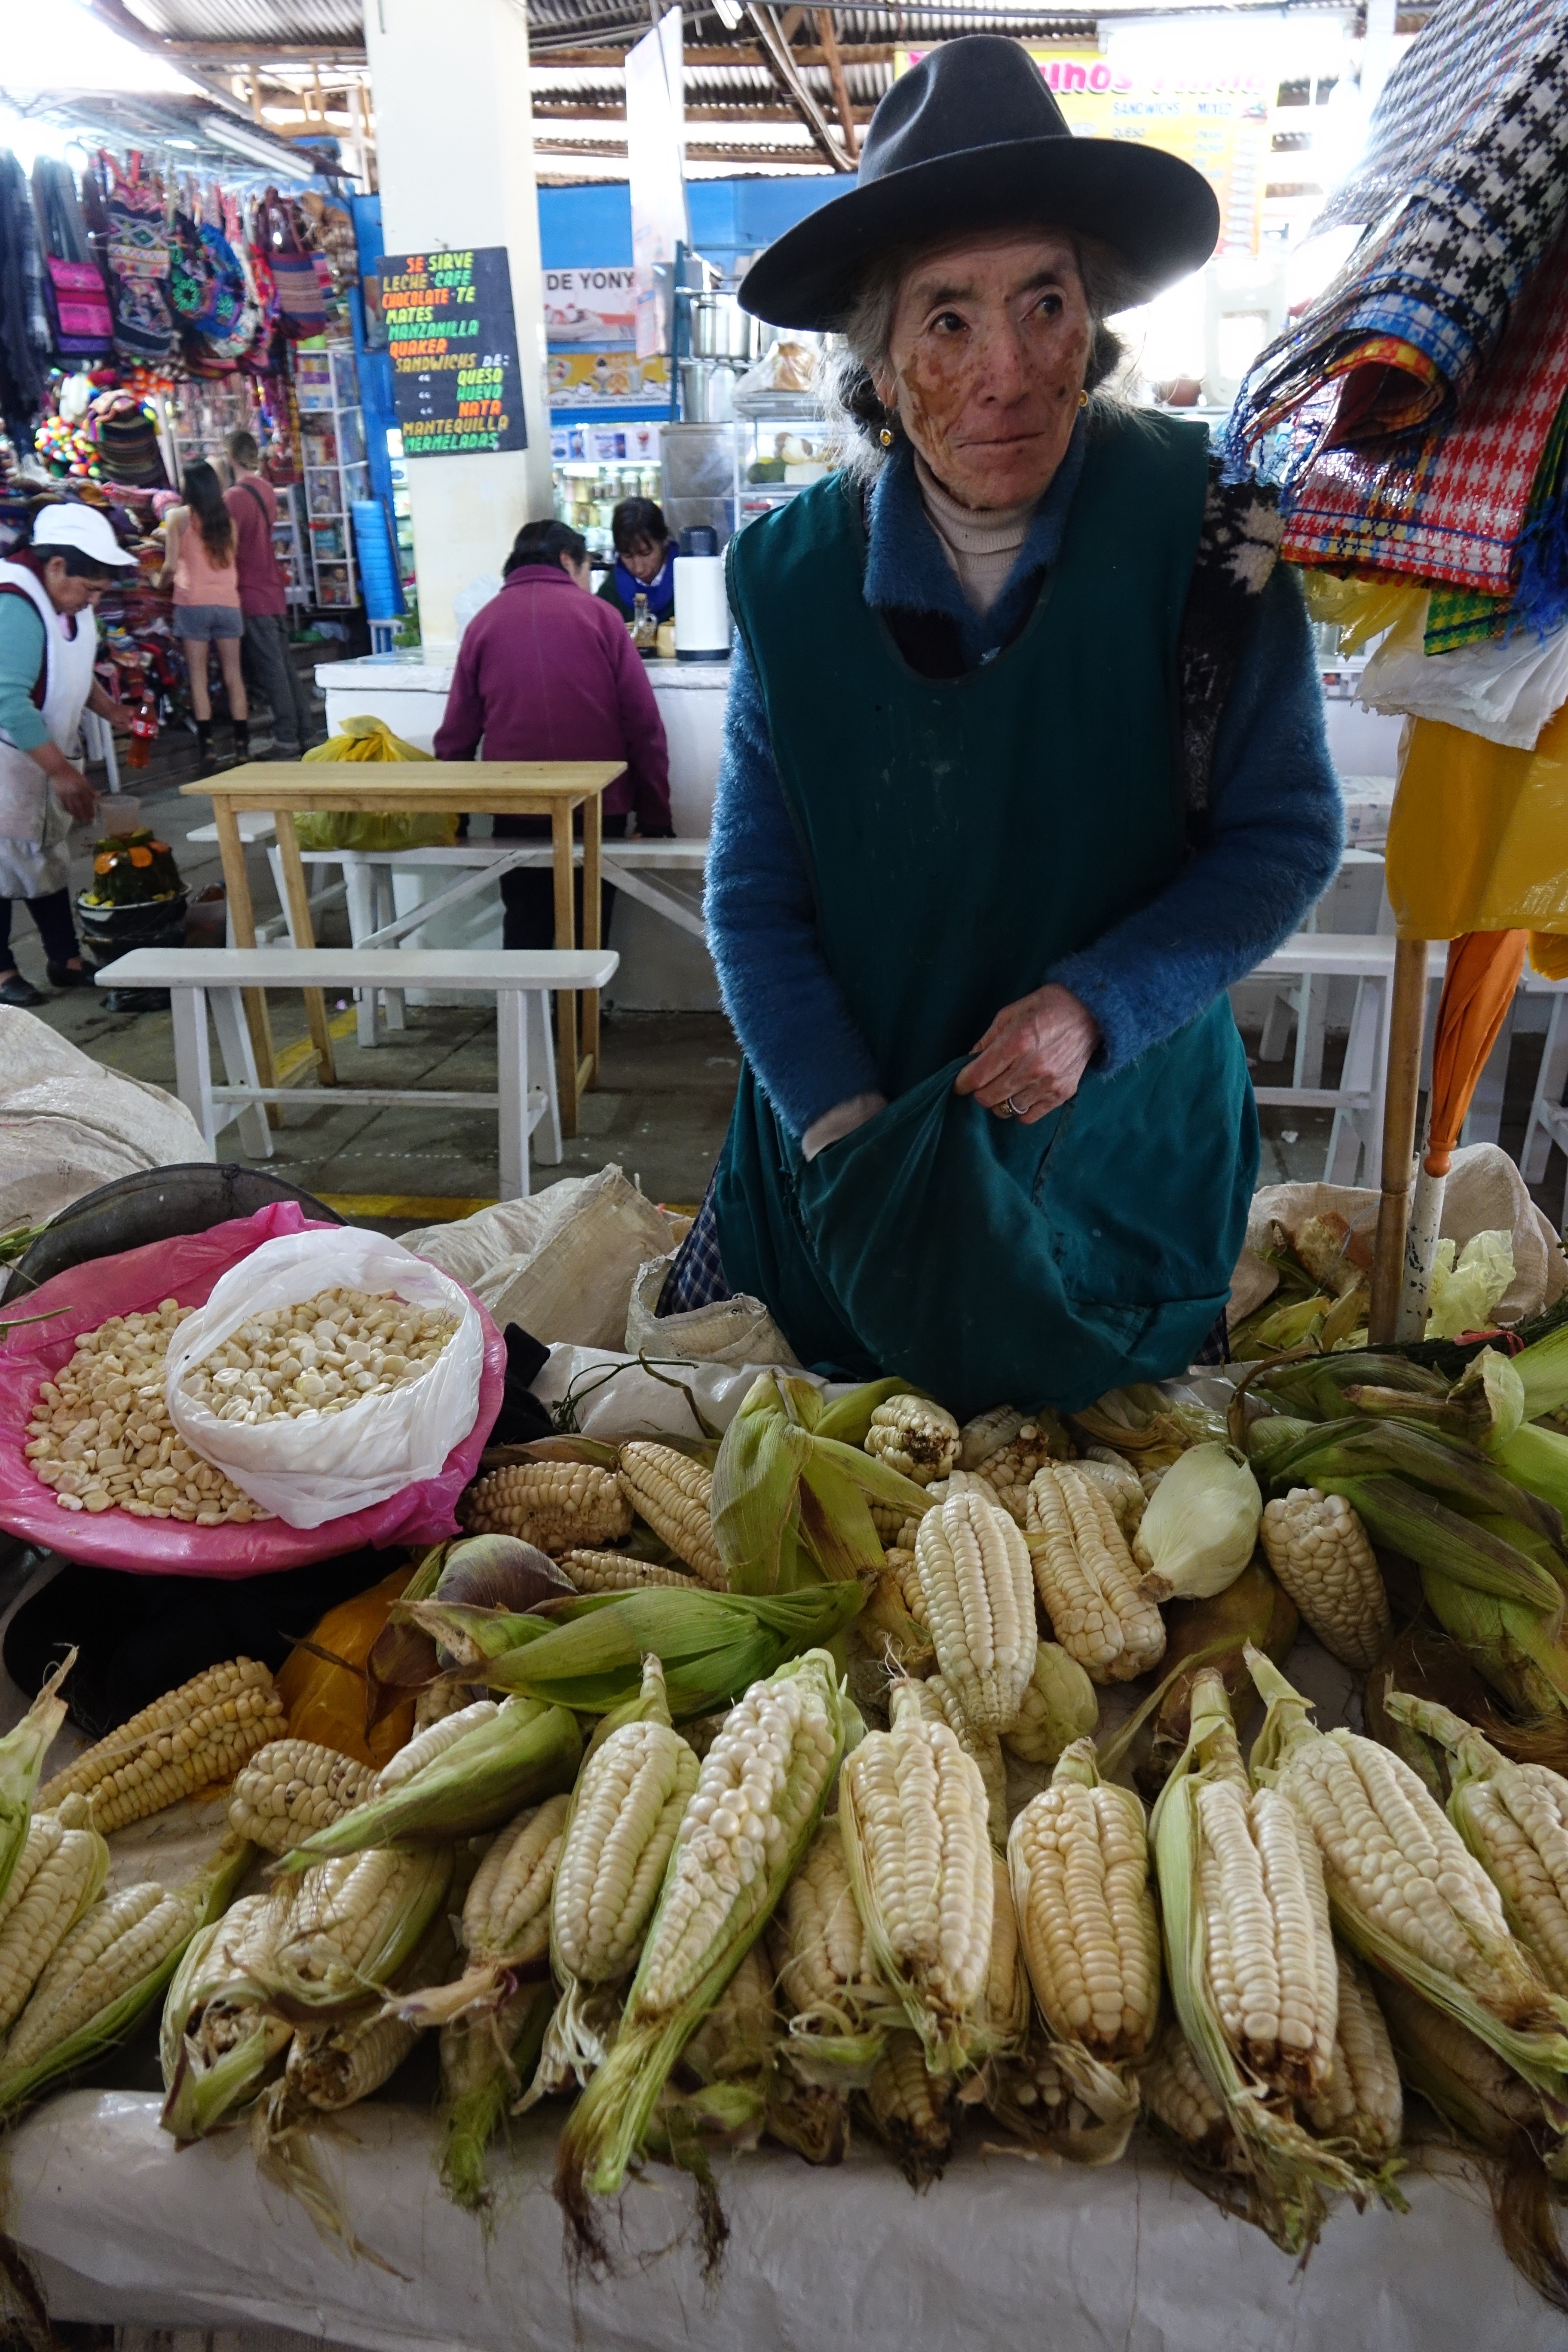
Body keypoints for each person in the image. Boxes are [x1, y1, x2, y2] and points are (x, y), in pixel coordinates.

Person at [658, 37, 1343, 1415]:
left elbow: (1282, 838)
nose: (1007, 371)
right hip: (844, 1130)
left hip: (1121, 1146)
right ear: (880, 350)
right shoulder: (791, 580)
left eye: (1045, 302)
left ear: (1093, 316)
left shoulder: (1216, 532)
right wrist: (850, 1138)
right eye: (949, 317)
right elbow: (753, 896)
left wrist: (1099, 1005)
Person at [435, 519, 674, 949]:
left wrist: (452, 817)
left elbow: (457, 734)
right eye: (585, 570)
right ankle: (581, 1017)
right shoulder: (602, 617)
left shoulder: (483, 624)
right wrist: (655, 817)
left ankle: (528, 1016)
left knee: (526, 920)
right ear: (568, 561)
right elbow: (643, 725)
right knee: (589, 924)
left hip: (516, 805)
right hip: (599, 805)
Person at [0, 503, 137, 1008]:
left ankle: (65, 959)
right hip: (8, 757)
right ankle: (3, 972)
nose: (93, 601)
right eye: (90, 589)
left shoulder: (68, 602)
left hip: (37, 754)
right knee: (3, 866)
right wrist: (59, 771)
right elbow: (8, 698)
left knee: (46, 857)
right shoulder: (16, 601)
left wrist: (111, 710)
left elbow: (73, 669)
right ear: (56, 566)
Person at [224, 429, 312, 759]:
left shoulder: (233, 498)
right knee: (285, 666)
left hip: (251, 590)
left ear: (230, 457)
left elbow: (229, 547)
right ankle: (305, 732)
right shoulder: (265, 489)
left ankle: (287, 738)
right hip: (272, 588)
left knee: (272, 669)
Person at [159, 459, 248, 774]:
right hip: (228, 602)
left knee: (199, 677)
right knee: (233, 675)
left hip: (192, 603)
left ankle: (208, 752)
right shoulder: (228, 522)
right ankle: (242, 749)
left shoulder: (177, 518)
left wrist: (158, 584)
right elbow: (228, 559)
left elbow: (170, 566)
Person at [597, 497, 675, 628]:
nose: (639, 568)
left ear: (665, 540)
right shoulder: (611, 592)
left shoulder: (688, 581)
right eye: (627, 556)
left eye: (646, 554)